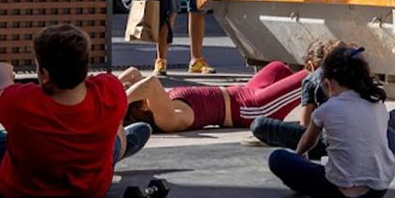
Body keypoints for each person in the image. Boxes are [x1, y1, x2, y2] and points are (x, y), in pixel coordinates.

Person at [0, 25, 150, 198]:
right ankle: (119, 149)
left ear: (44, 74)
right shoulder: (110, 90)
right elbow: (107, 91)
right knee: (114, 124)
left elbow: (1, 87)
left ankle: (11, 144)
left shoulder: (19, 101)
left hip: (22, 192)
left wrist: (1, 72)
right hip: (92, 189)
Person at [267, 46, 395, 198]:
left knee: (278, 158)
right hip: (376, 191)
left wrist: (299, 155)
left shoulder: (327, 108)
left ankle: (301, 184)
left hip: (337, 192)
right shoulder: (376, 102)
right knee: (389, 134)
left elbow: (308, 141)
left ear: (330, 83)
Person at [251, 38, 395, 156]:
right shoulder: (361, 76)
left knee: (260, 125)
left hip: (328, 141)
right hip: (367, 137)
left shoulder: (315, 80)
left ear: (313, 65)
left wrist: (299, 151)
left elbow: (305, 125)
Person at [121, 61, 308, 133]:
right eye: (128, 89)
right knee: (312, 76)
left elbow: (133, 71)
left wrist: (108, 90)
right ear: (142, 106)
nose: (128, 85)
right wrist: (119, 101)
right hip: (252, 108)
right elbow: (151, 83)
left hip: (244, 91)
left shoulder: (152, 103)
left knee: (278, 67)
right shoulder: (165, 119)